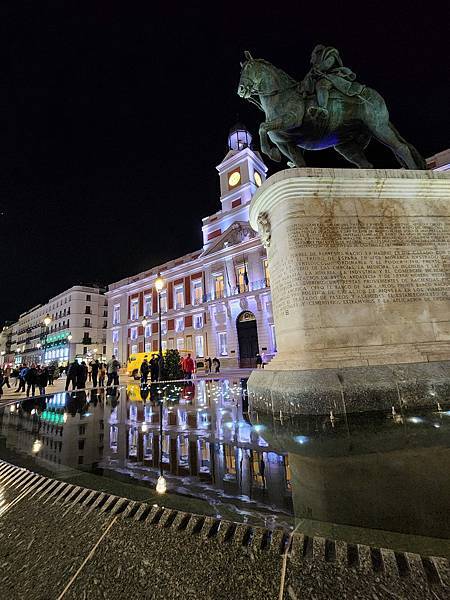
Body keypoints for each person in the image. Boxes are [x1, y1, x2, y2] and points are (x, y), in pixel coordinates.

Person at [300, 45, 363, 119]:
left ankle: (323, 108)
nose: (314, 60)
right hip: (323, 76)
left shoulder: (331, 54)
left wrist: (318, 68)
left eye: (315, 56)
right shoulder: (321, 59)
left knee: (321, 85)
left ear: (319, 53)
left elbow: (327, 65)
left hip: (332, 76)